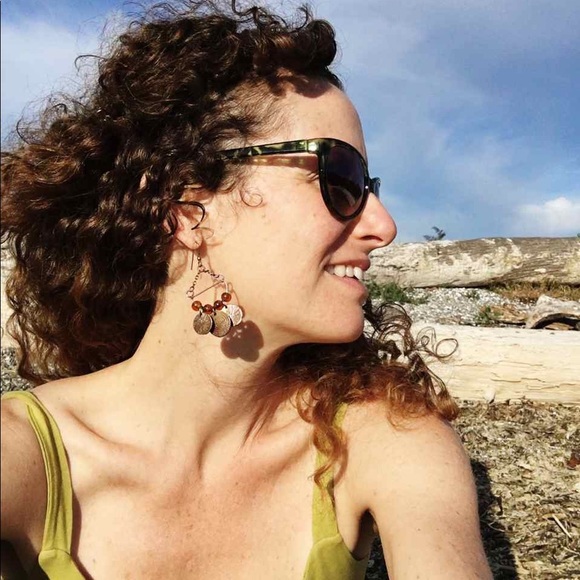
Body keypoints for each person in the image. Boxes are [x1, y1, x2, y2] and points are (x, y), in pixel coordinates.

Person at [0, 1, 492, 578]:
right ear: (189, 210)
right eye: (340, 178)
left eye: (370, 186)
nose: (383, 226)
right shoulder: (23, 457)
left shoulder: (383, 439)